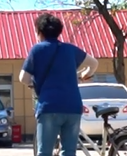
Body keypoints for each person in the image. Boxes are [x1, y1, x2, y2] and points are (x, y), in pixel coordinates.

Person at [19, 13, 99, 156]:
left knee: (44, 152)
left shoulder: (37, 49)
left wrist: (35, 83)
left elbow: (23, 78)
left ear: (40, 32)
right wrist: (84, 75)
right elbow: (94, 63)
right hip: (73, 107)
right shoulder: (70, 49)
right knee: (69, 152)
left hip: (49, 107)